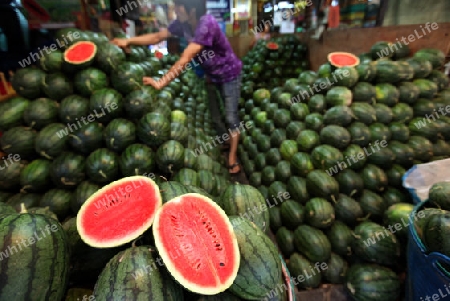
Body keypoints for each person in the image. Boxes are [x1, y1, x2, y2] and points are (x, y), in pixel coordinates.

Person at [111, 0, 243, 175]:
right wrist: (128, 41)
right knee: (215, 115)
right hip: (212, 75)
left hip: (229, 74)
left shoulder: (206, 24)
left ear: (191, 9)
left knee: (230, 115)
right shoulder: (183, 24)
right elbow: (157, 37)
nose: (174, 10)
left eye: (178, 7)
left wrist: (161, 82)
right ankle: (225, 140)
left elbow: (185, 58)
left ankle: (232, 157)